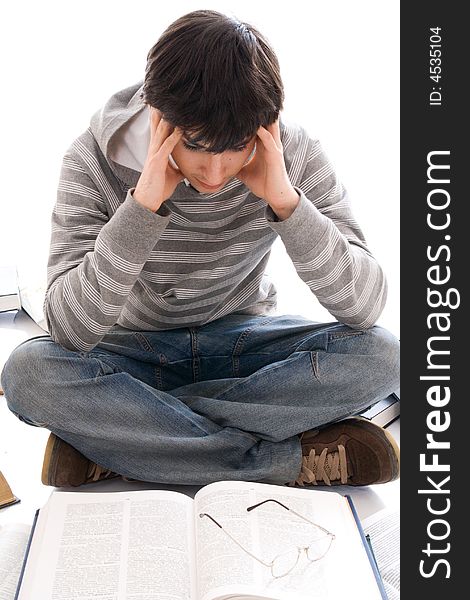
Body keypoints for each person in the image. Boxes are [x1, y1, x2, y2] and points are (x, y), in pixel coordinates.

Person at [1, 10, 400, 488]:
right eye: (195, 146)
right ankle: (283, 461)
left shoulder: (290, 155)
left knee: (385, 356)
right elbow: (69, 329)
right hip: (136, 351)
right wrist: (142, 208)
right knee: (27, 374)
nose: (214, 174)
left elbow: (365, 306)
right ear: (157, 115)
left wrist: (287, 203)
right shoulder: (92, 159)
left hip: (243, 344)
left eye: (233, 148)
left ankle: (130, 443)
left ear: (265, 123)